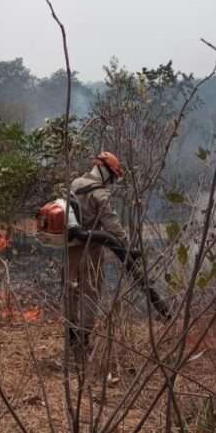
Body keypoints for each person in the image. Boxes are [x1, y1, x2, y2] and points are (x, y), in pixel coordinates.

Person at [66, 151, 128, 359]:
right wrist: (127, 246)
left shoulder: (74, 184)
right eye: (111, 177)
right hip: (91, 252)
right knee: (90, 295)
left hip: (70, 251)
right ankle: (83, 343)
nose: (111, 182)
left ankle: (71, 340)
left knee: (71, 294)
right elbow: (113, 226)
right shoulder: (100, 194)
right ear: (104, 171)